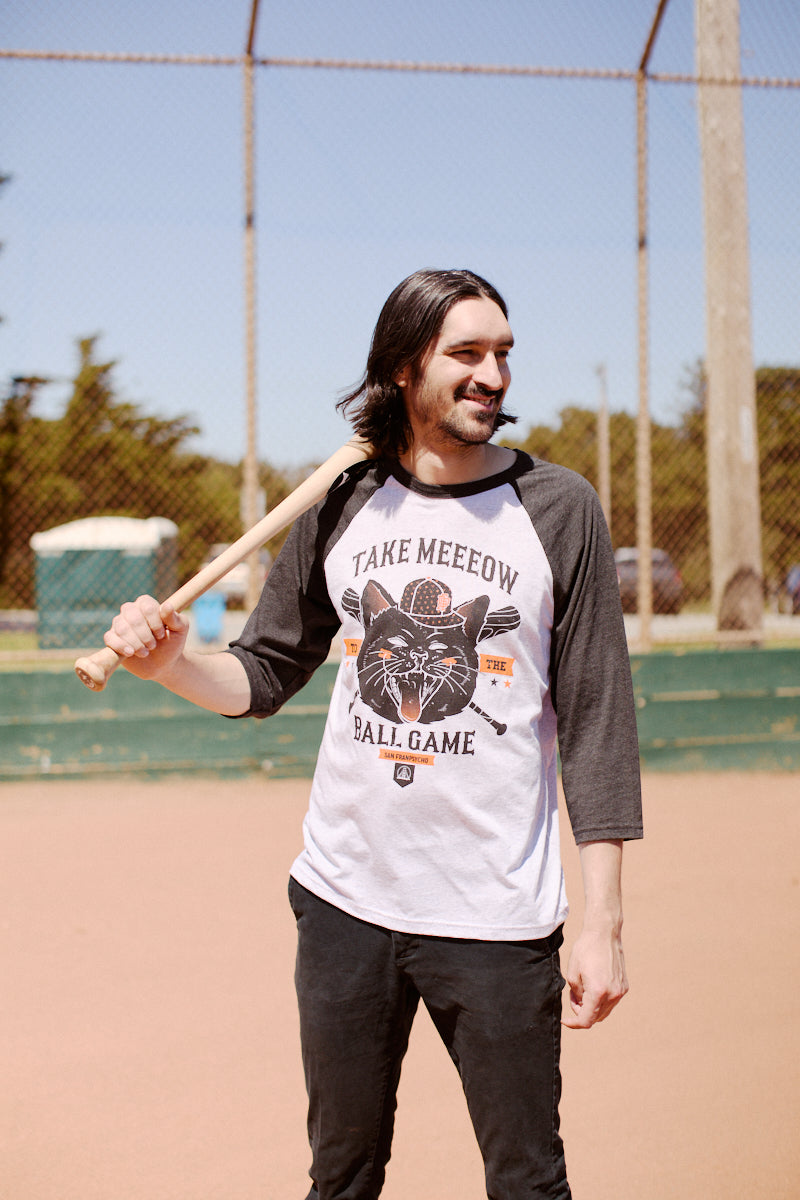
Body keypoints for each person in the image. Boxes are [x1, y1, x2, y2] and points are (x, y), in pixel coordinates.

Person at [103, 268, 643, 1200]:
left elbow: (597, 720)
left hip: (497, 916)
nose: (494, 376)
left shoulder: (559, 509)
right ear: (403, 367)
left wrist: (602, 924)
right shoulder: (340, 498)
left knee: (528, 1179)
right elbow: (265, 672)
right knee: (342, 1176)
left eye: (503, 355)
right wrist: (173, 667)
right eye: (466, 354)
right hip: (345, 900)